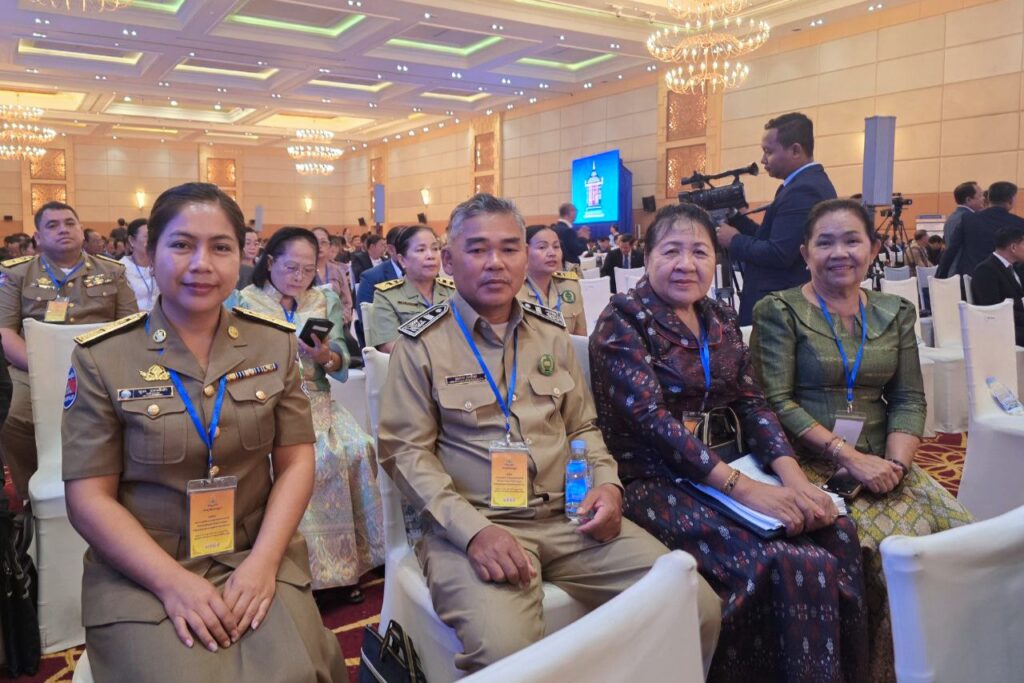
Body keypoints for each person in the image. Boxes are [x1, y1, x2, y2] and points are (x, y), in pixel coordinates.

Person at [377, 193, 721, 675]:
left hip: (572, 517)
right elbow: (405, 453)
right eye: (477, 249)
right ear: (449, 261)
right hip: (475, 524)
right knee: (504, 653)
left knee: (695, 605)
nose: (495, 262)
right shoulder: (421, 345)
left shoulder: (551, 333)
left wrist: (607, 485)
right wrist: (474, 533)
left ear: (525, 255)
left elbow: (583, 426)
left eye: (509, 248)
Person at [60, 183, 345, 682]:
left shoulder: (273, 345)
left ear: (241, 257)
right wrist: (172, 584)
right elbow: (88, 498)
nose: (201, 264)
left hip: (254, 552)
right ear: (150, 254)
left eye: (221, 247)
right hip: (145, 568)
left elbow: (297, 463)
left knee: (300, 672)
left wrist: (263, 563)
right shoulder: (103, 357)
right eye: (182, 244)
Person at [590, 203, 868, 683]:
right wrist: (746, 490)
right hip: (656, 479)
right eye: (671, 251)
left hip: (730, 468)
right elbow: (652, 422)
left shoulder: (717, 315)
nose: (686, 264)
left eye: (699, 252)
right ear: (647, 258)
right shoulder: (623, 320)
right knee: (785, 562)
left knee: (838, 534)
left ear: (715, 260)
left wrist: (795, 481)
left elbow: (751, 402)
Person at [750, 198, 973, 682]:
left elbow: (909, 397)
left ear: (872, 249)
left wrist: (896, 466)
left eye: (852, 241)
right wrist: (849, 458)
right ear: (805, 252)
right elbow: (775, 402)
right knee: (889, 557)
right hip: (809, 463)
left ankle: (955, 663)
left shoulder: (895, 312)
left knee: (962, 536)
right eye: (824, 242)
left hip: (884, 462)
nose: (839, 253)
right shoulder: (779, 311)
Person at [236, 227, 383, 601]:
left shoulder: (323, 299)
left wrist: (324, 355)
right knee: (315, 460)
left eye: (307, 269)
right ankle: (302, 570)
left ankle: (348, 564)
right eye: (291, 268)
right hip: (265, 405)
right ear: (270, 262)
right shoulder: (244, 301)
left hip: (317, 402)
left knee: (357, 447)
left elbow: (340, 363)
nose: (299, 277)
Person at [0, 201, 138, 500]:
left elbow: (130, 326)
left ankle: (116, 489)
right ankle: (31, 492)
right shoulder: (17, 273)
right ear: (38, 237)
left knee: (138, 414)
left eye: (69, 223)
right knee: (14, 418)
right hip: (34, 369)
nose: (63, 229)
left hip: (102, 367)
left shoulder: (112, 271)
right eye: (52, 225)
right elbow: (6, 332)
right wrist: (43, 368)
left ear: (81, 229)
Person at [717, 112, 838, 325]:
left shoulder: (804, 190)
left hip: (780, 308)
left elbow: (779, 254)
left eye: (768, 151)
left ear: (795, 150)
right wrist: (738, 219)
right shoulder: (801, 184)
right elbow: (771, 239)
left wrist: (734, 240)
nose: (763, 160)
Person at [365, 225, 454, 353]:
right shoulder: (387, 296)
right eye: (421, 250)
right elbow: (390, 347)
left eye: (435, 248)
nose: (431, 255)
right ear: (402, 260)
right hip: (415, 364)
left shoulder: (453, 291)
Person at [938, 181, 1024, 280]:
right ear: (1011, 200)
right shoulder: (1019, 223)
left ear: (989, 198)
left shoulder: (968, 219)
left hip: (971, 279)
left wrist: (940, 278)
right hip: (1006, 280)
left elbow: (951, 250)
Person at [516, 225, 586, 335]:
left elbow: (581, 336)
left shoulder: (570, 284)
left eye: (556, 246)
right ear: (525, 251)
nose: (552, 253)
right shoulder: (514, 291)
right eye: (542, 247)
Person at [970, 225, 1024, 345]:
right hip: (1003, 328)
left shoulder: (1015, 267)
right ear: (1013, 247)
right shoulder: (986, 270)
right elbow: (993, 310)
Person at [311, 227, 353, 325]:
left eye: (323, 242)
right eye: (315, 242)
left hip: (337, 323)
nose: (319, 246)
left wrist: (342, 318)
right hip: (309, 323)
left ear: (329, 246)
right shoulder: (303, 270)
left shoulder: (338, 270)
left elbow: (347, 302)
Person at [942, 181, 983, 274]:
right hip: (965, 272)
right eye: (980, 196)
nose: (983, 199)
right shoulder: (970, 218)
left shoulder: (951, 218)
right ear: (968, 200)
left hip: (953, 270)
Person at [121, 218, 160, 312]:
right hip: (135, 318)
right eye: (147, 236)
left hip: (160, 318)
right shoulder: (121, 268)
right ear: (132, 240)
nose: (152, 241)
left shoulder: (160, 264)